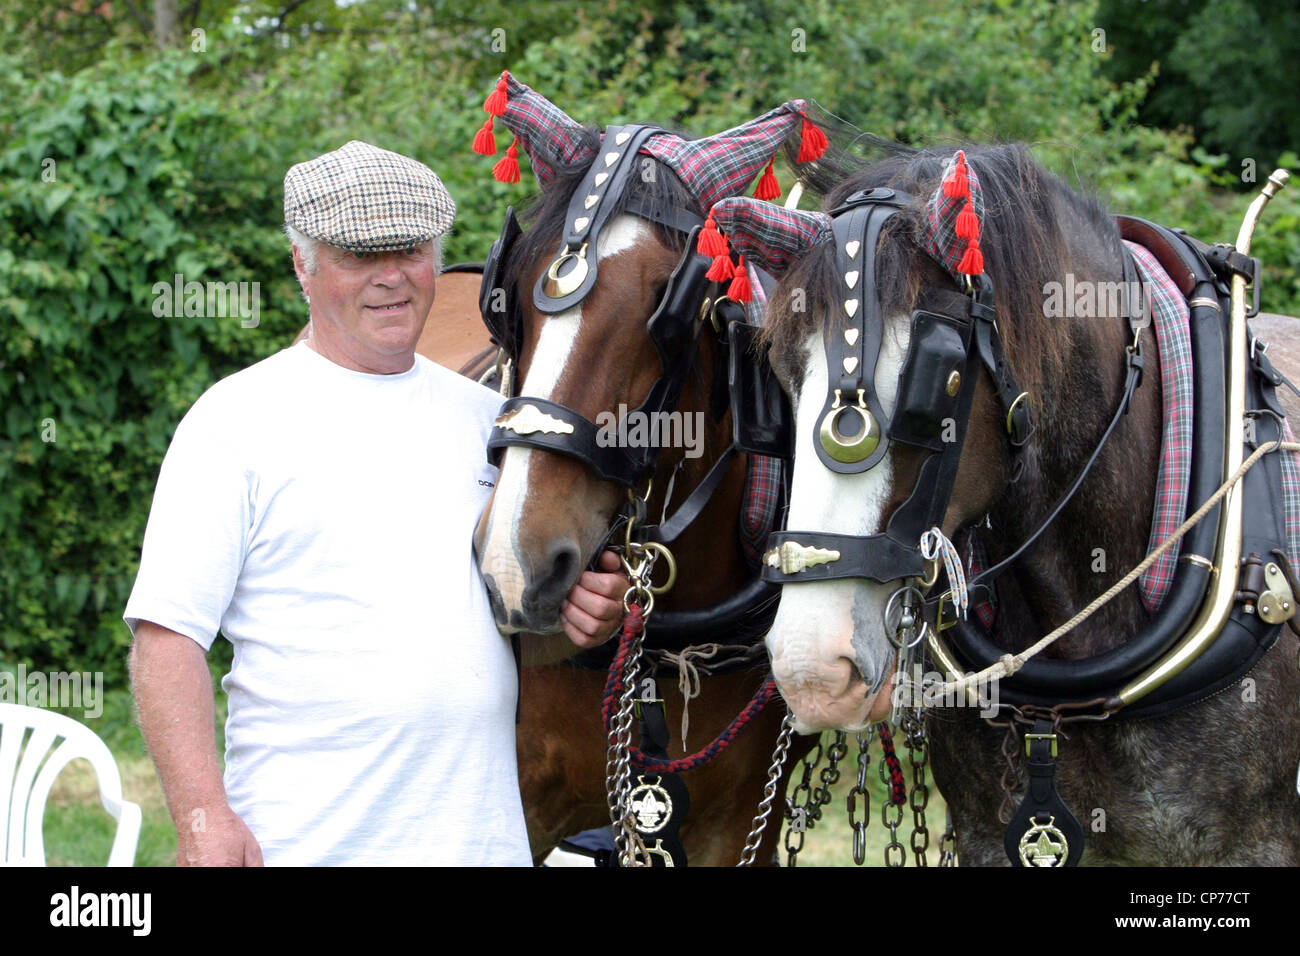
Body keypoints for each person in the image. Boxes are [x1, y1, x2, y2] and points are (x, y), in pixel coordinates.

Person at [126, 140, 627, 866]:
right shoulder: (234, 421)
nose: (393, 278)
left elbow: (506, 628)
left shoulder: (489, 422)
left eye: (412, 251)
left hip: (479, 842)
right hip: (303, 843)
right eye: (360, 256)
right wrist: (204, 815)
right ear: (303, 265)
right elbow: (167, 638)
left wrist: (580, 615)